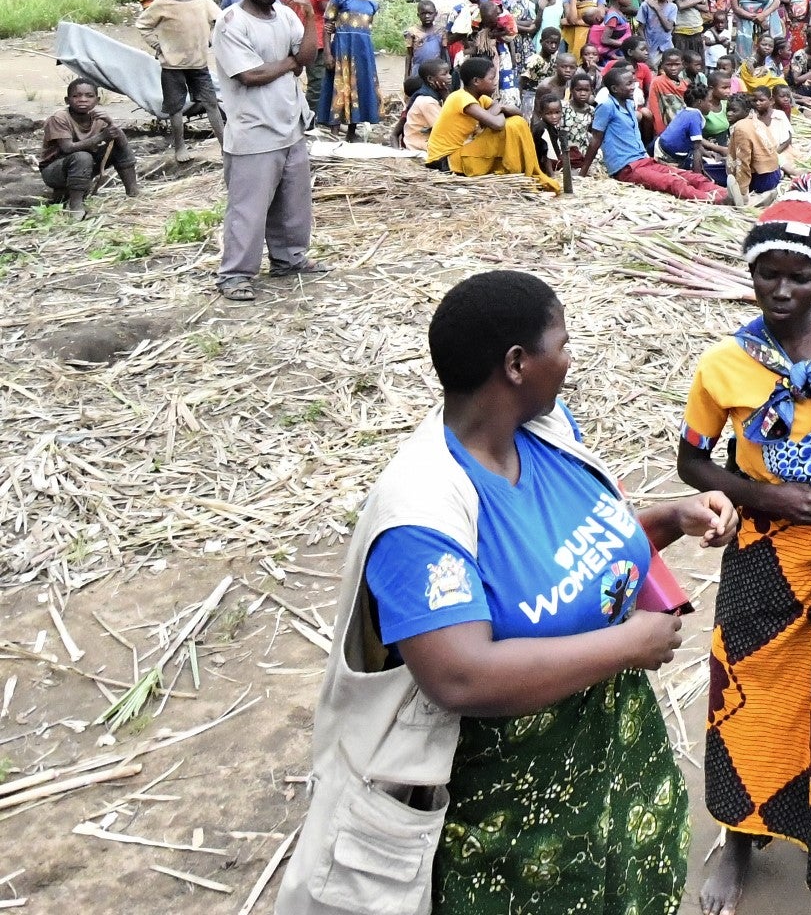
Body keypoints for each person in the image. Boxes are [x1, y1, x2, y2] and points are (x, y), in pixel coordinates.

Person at [274, 270, 736, 915]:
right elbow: (462, 677)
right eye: (563, 345)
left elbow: (563, 558)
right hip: (508, 828)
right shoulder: (420, 515)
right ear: (517, 364)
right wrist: (624, 646)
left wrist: (666, 520)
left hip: (616, 776)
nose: (570, 361)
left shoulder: (544, 434)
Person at [674, 202, 811, 911]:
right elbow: (690, 463)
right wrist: (759, 496)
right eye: (766, 274)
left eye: (797, 278)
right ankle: (738, 839)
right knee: (749, 691)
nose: (779, 290)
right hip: (761, 555)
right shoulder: (725, 366)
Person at [211, 0, 320, 302]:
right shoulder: (232, 22)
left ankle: (289, 260)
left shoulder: (287, 15)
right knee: (249, 209)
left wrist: (309, 18)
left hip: (290, 124)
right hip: (254, 130)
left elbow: (306, 58)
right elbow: (250, 74)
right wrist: (290, 63)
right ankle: (235, 274)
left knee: (293, 202)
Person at [580, 61, 726, 203]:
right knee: (673, 182)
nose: (634, 87)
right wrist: (583, 173)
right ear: (615, 89)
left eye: (633, 82)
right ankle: (715, 200)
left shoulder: (630, 104)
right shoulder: (607, 107)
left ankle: (726, 193)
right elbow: (596, 139)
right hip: (626, 167)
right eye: (629, 84)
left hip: (643, 160)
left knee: (689, 176)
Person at [425, 56, 562, 194]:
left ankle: (523, 169)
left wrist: (499, 107)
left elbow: (518, 113)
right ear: (476, 81)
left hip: (461, 152)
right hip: (445, 160)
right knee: (510, 126)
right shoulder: (460, 97)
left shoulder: (480, 98)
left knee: (517, 122)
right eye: (491, 78)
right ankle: (517, 170)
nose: (495, 82)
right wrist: (500, 108)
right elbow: (498, 124)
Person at [134, 0, 225, 162]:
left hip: (198, 63)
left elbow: (220, 21)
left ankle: (224, 145)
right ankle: (180, 147)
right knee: (175, 108)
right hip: (172, 65)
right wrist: (158, 45)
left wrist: (211, 39)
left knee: (211, 103)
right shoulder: (162, 3)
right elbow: (143, 25)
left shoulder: (203, 1)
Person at [38, 78, 139, 219]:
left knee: (117, 145)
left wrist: (110, 123)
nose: (83, 100)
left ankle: (133, 193)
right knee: (82, 156)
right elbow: (67, 148)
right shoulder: (59, 118)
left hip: (84, 166)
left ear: (97, 100)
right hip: (55, 170)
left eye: (89, 96)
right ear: (67, 100)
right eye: (76, 96)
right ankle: (76, 206)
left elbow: (123, 145)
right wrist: (101, 137)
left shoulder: (99, 117)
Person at [317, 0, 384, 137]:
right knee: (340, 86)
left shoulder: (373, 5)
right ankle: (334, 130)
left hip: (363, 52)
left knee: (360, 86)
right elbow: (327, 25)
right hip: (342, 49)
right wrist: (327, 53)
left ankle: (352, 131)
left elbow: (365, 31)